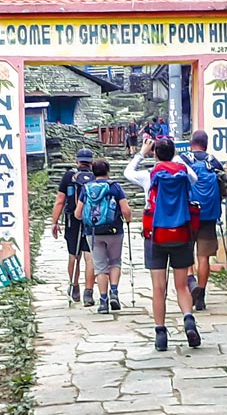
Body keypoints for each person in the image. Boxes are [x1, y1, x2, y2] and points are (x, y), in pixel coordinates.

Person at [124, 137, 201, 351]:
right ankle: (188, 319)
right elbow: (193, 177)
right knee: (182, 285)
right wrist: (175, 156)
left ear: (155, 153)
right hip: (182, 234)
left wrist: (142, 153)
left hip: (155, 236)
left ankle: (160, 334)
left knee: (159, 288)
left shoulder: (149, 176)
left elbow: (127, 173)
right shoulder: (183, 174)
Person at [74, 159, 133, 313]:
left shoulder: (86, 189)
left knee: (100, 267)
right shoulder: (115, 187)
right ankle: (114, 292)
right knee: (115, 262)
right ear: (108, 171)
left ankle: (103, 301)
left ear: (93, 172)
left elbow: (78, 214)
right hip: (114, 230)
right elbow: (125, 210)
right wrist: (128, 219)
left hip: (93, 233)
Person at [181, 130, 225, 311]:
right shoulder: (214, 161)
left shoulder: (184, 159)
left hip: (189, 213)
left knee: (186, 252)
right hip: (209, 215)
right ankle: (202, 293)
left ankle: (191, 282)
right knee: (204, 257)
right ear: (206, 144)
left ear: (192, 142)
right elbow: (224, 186)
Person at [50, 148, 96, 306]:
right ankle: (88, 293)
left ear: (77, 161)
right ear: (91, 162)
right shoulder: (96, 176)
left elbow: (60, 201)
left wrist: (54, 222)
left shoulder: (69, 177)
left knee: (73, 256)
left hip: (72, 220)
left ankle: (74, 286)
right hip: (91, 220)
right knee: (90, 257)